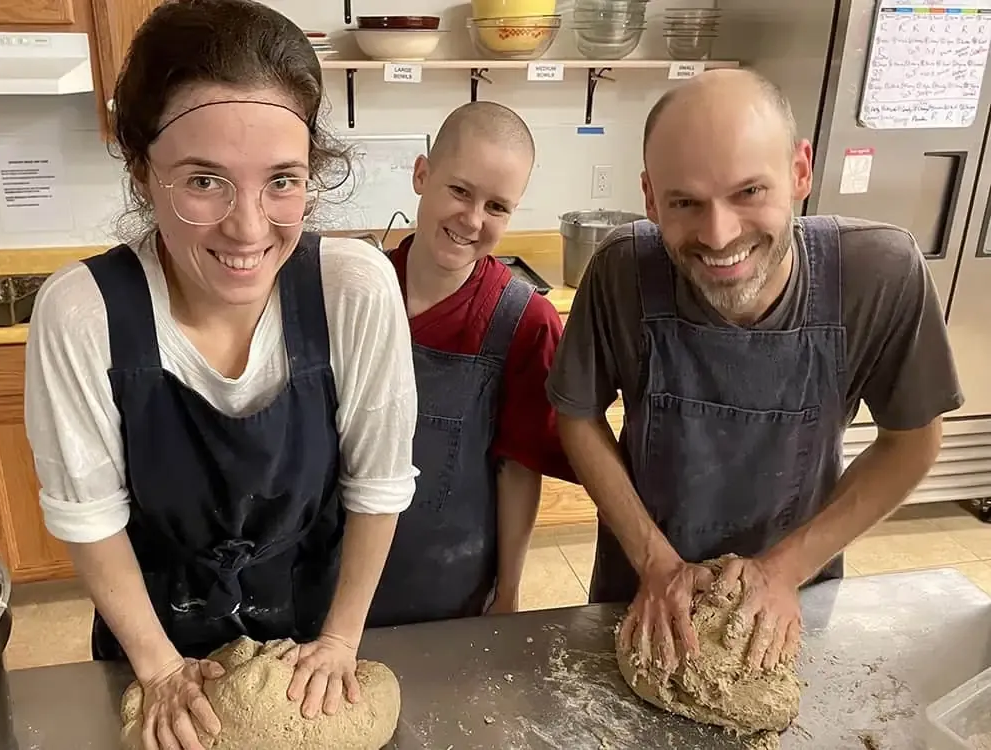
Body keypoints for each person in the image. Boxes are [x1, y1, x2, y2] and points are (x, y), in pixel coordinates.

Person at [23, 1, 417, 747]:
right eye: (204, 181)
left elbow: (378, 486)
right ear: (142, 171)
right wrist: (159, 668)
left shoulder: (354, 290)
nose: (248, 226)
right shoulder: (82, 314)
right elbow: (90, 516)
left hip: (312, 633)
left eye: (282, 181)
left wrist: (338, 641)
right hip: (151, 635)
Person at [547, 69, 962, 677]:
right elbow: (577, 417)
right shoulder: (622, 271)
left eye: (748, 192)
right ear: (649, 197)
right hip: (642, 587)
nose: (719, 236)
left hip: (794, 594)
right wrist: (655, 562)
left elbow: (913, 442)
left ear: (800, 171)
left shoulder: (879, 275)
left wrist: (785, 569)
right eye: (684, 202)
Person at [366, 101, 577, 628]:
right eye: (459, 191)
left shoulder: (526, 323)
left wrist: (508, 591)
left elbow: (519, 469)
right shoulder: (357, 293)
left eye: (498, 207)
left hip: (449, 592)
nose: (472, 220)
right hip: (335, 578)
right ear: (422, 174)